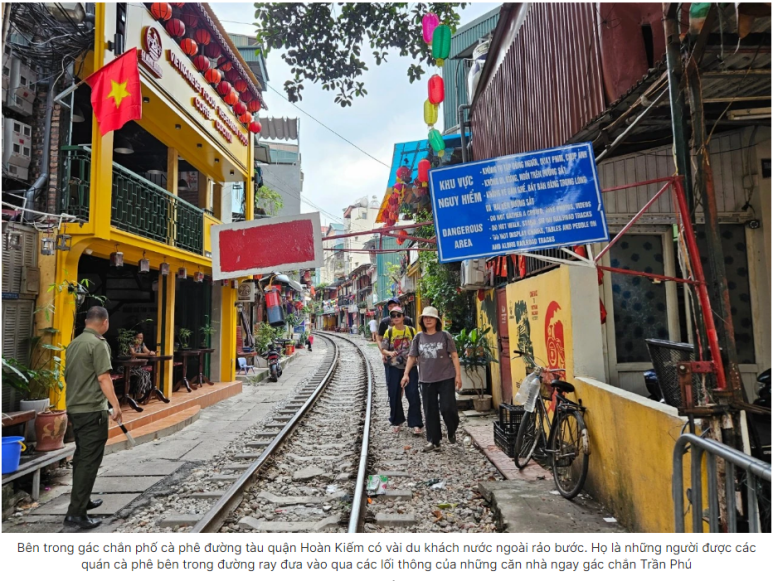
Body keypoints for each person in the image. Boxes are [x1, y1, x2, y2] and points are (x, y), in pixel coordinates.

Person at [63, 306, 122, 529]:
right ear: (104, 322)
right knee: (89, 461)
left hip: (75, 409)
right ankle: (75, 514)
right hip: (91, 410)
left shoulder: (75, 343)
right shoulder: (98, 344)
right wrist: (115, 405)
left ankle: (82, 500)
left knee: (82, 457)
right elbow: (103, 378)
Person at [402, 306, 462, 452]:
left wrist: (458, 376)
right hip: (426, 379)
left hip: (446, 376)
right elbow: (412, 357)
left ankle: (451, 428)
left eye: (431, 317)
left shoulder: (445, 335)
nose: (428, 320)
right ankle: (434, 440)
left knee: (448, 408)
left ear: (437, 320)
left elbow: (454, 355)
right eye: (425, 317)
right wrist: (406, 374)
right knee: (430, 411)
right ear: (422, 320)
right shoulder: (418, 337)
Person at [381, 306, 422, 435]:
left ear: (403, 316)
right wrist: (390, 352)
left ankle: (416, 423)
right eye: (393, 316)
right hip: (393, 367)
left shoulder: (411, 330)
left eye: (398, 315)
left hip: (411, 367)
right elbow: (383, 349)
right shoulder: (390, 332)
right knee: (394, 394)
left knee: (413, 393)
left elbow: (417, 347)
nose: (396, 318)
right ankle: (396, 421)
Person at [126, 331, 154, 402]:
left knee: (147, 374)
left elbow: (147, 351)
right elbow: (134, 354)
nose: (139, 339)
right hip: (128, 368)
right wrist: (147, 354)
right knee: (142, 375)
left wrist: (151, 353)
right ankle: (139, 394)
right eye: (137, 338)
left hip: (137, 367)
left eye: (141, 338)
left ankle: (145, 393)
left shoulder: (142, 344)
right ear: (133, 338)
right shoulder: (130, 344)